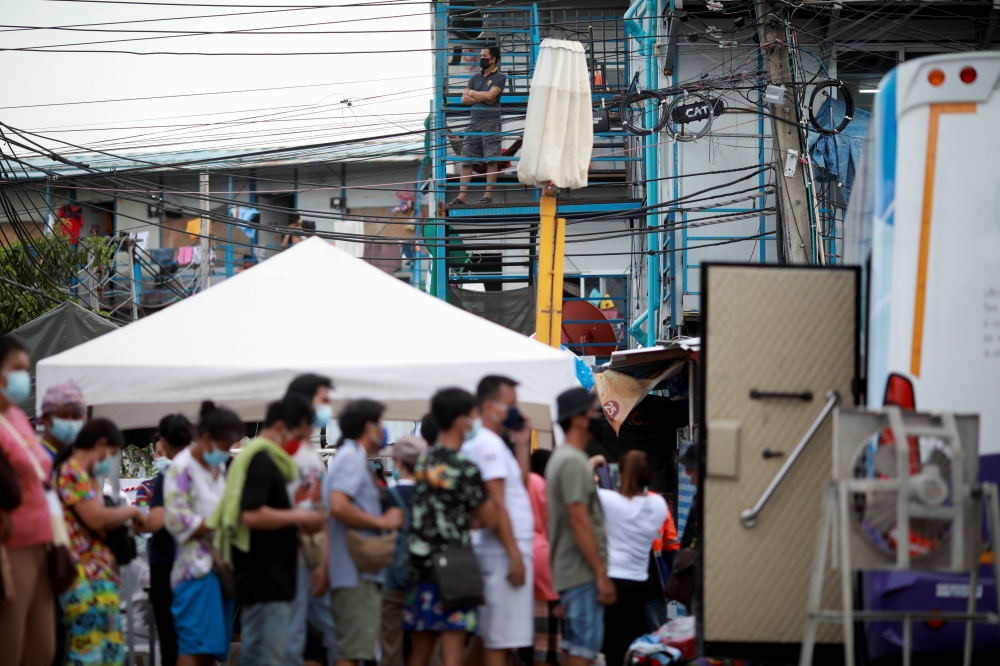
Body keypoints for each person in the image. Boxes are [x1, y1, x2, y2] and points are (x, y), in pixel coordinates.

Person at [212, 396, 325, 666]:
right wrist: (297, 515)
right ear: (280, 426)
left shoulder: (266, 460)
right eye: (296, 433)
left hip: (272, 577)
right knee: (265, 654)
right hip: (264, 577)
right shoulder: (261, 460)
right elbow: (250, 514)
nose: (296, 442)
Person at [404, 388, 499, 666]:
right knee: (452, 655)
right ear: (461, 421)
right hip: (453, 568)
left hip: (421, 564)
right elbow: (489, 518)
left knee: (419, 653)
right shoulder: (463, 467)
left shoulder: (424, 460)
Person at [53, 418, 146, 666]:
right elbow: (96, 519)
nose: (108, 461)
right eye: (112, 454)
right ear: (101, 444)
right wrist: (132, 512)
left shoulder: (83, 475)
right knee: (91, 654)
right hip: (85, 578)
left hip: (98, 578)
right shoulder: (72, 471)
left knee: (106, 654)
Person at [165, 401, 244, 666]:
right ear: (208, 438)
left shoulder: (217, 468)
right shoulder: (182, 467)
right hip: (194, 569)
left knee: (210, 651)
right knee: (193, 646)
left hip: (219, 568)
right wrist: (217, 523)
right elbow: (176, 519)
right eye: (225, 445)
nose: (227, 451)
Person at [324, 399, 403, 666]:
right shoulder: (352, 459)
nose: (384, 430)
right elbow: (338, 504)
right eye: (381, 424)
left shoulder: (350, 456)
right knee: (352, 651)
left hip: (353, 570)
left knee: (353, 648)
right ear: (369, 428)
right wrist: (381, 523)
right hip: (354, 572)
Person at [461, 376, 533, 666]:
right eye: (511, 404)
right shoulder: (486, 445)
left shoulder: (491, 443)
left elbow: (518, 489)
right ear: (490, 407)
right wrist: (514, 554)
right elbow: (497, 502)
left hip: (502, 549)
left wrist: (521, 444)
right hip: (502, 552)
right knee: (500, 644)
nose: (515, 411)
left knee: (487, 637)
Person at [546, 388, 615, 666]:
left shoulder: (563, 459)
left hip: (569, 573)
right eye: (591, 412)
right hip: (582, 573)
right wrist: (600, 574)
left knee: (574, 649)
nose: (597, 417)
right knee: (582, 653)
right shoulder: (573, 461)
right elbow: (579, 520)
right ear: (577, 419)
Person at [0, 335, 56, 666]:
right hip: (12, 545)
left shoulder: (18, 418)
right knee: (10, 647)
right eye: (17, 369)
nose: (24, 376)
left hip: (44, 541)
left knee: (42, 649)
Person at [282, 374, 337, 666]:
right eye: (324, 400)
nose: (328, 407)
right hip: (290, 564)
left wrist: (325, 564)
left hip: (313, 563)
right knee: (290, 643)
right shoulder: (281, 453)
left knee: (334, 636)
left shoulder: (309, 455)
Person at [597, 451, 667, 666]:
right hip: (639, 583)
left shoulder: (609, 501)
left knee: (610, 645)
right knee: (633, 642)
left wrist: (592, 464)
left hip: (611, 580)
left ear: (622, 475)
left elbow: (577, 488)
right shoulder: (659, 505)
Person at [139, 414, 194, 666]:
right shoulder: (203, 473)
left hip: (167, 563)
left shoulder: (168, 477)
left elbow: (155, 522)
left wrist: (130, 517)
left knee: (172, 640)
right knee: (192, 639)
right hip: (196, 563)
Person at [379, 434, 427, 666]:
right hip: (426, 578)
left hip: (393, 576)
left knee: (390, 644)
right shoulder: (431, 496)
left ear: (398, 462)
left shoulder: (388, 496)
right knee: (426, 645)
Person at [451, 46, 507, 206]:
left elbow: (491, 96)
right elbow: (464, 100)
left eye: (484, 56)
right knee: (467, 159)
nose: (480, 58)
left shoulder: (500, 77)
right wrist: (482, 97)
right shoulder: (475, 77)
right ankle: (462, 196)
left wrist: (473, 94)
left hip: (491, 122)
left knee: (491, 159)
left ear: (493, 59)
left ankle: (488, 195)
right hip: (474, 122)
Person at [526, 450, 560, 666]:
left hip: (525, 558)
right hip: (548, 560)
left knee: (532, 635)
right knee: (551, 637)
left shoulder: (521, 485)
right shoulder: (546, 487)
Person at [37, 380, 86, 463]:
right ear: (46, 418)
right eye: (63, 416)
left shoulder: (73, 460)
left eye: (76, 416)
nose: (70, 422)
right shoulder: (34, 457)